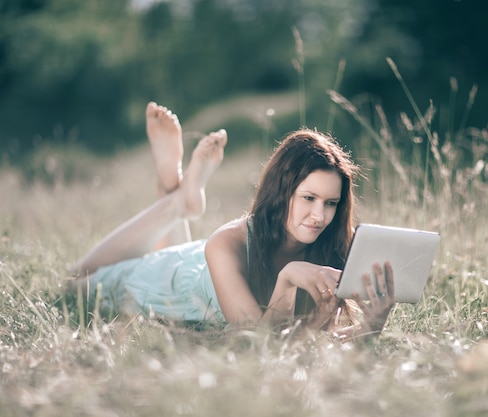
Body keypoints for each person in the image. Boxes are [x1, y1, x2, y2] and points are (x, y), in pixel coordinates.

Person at [68, 102, 395, 340]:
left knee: (201, 281)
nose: (320, 216)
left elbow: (308, 343)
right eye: (308, 199)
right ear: (282, 192)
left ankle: (174, 192)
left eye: (331, 203)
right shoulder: (228, 242)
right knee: (75, 283)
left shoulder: (330, 245)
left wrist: (372, 325)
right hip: (167, 280)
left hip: (205, 275)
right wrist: (287, 279)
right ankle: (176, 202)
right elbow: (256, 341)